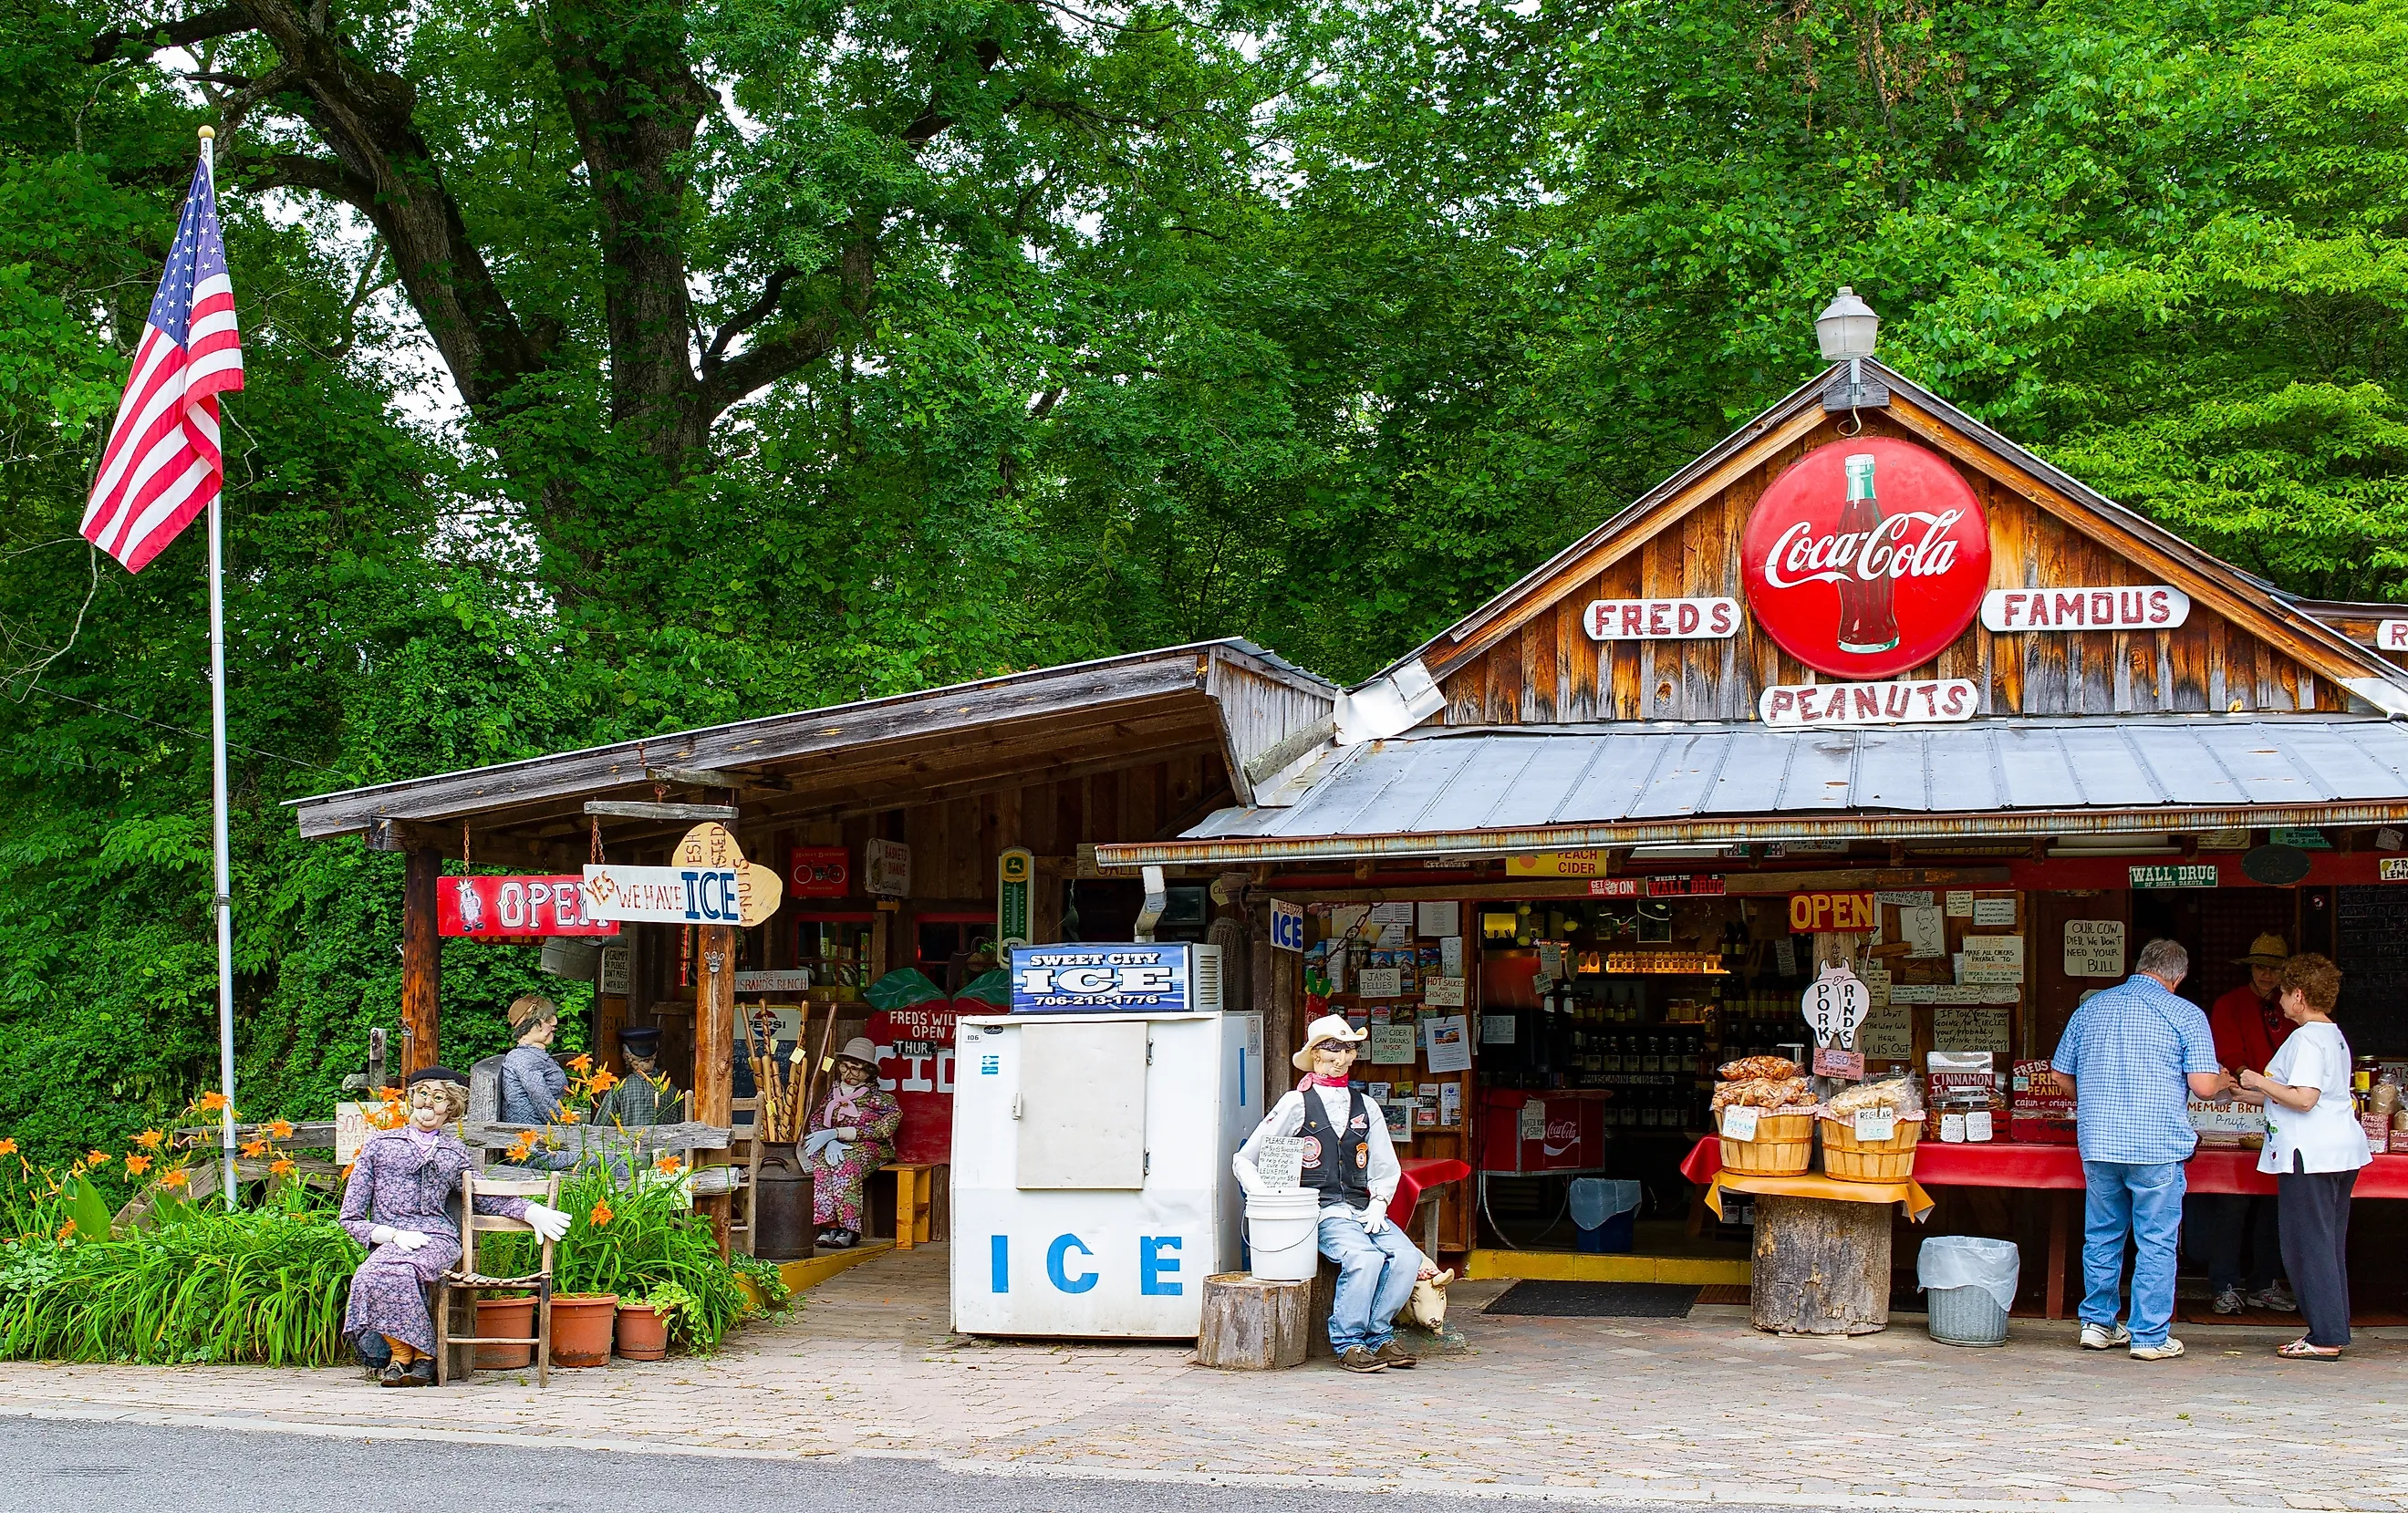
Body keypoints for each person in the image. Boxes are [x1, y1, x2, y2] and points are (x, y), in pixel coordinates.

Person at [2052, 938, 2234, 1361]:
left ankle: (2097, 1325)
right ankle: (2149, 1337)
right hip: (2156, 1146)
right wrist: (2226, 1081)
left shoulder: (2092, 1008)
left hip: (2098, 1142)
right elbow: (2204, 1087)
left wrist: (2096, 1100)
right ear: (2178, 977)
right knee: (2156, 1241)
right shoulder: (2185, 1013)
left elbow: (2060, 1075)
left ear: (2140, 964)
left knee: (2101, 1235)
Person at [339, 1066, 571, 1386]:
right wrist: (390, 1233)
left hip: (437, 1237)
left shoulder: (455, 1152)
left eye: (438, 1098)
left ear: (450, 1108)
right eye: (423, 1095)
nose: (428, 1105)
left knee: (399, 1271)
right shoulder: (379, 1145)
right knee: (372, 1273)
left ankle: (408, 1359)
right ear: (411, 1099)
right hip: (393, 1238)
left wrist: (530, 1210)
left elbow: (483, 1197)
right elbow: (350, 1216)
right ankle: (412, 1355)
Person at [1232, 1014, 1427, 1373]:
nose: (1341, 1056)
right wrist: (1268, 1198)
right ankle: (1348, 1340)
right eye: (1332, 1047)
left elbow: (1385, 1163)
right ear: (1315, 1054)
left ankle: (1379, 1334)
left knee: (1407, 1258)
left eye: (1348, 1048)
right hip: (1322, 1210)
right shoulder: (1296, 1103)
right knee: (1364, 1259)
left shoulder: (1366, 1107)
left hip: (1361, 1208)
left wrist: (1380, 1203)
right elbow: (1246, 1159)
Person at [2237, 952, 2369, 1359]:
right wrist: (2248, 1093)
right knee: (2326, 1243)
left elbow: (2305, 1098)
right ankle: (2333, 1327)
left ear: (2298, 995)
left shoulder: (2307, 1037)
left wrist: (2258, 1078)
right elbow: (2304, 1092)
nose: (2279, 1001)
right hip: (2338, 1151)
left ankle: (2325, 1336)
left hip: (2308, 1153)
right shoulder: (2332, 1034)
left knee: (2306, 1245)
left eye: (2282, 993)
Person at [2195, 933, 2297, 1314]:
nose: (2267, 975)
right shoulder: (2229, 1004)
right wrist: (2247, 1078)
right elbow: (2228, 1050)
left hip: (2283, 1108)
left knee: (2274, 1200)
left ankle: (2265, 1282)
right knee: (2232, 1201)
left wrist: (2279, 1090)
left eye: (2274, 968)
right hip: (2237, 1105)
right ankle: (2225, 1283)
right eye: (2261, 967)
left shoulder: (2291, 1006)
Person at [803, 1037, 900, 1249]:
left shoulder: (883, 1101)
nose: (849, 1074)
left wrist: (840, 1133)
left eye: (856, 1069)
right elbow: (817, 1118)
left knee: (845, 1164)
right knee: (818, 1163)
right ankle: (829, 1226)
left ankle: (849, 1228)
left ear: (869, 1073)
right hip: (834, 1144)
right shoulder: (833, 1094)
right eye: (845, 1067)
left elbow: (884, 1130)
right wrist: (826, 1138)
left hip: (871, 1147)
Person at [596, 1026, 681, 1127]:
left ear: (627, 1055)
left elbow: (602, 1128)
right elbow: (683, 1129)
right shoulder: (672, 1091)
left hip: (628, 1142)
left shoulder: (620, 1090)